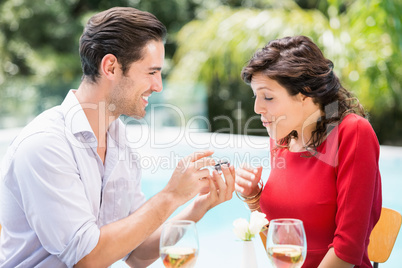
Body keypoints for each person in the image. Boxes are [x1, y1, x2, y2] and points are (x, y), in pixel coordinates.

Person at [0, 7, 235, 267]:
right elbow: (87, 258)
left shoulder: (118, 139)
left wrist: (198, 206)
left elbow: (136, 254)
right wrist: (171, 195)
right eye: (151, 72)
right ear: (111, 67)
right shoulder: (45, 146)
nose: (158, 85)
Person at [235, 35, 382, 267]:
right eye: (256, 96)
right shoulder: (282, 138)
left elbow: (348, 250)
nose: (257, 108)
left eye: (268, 97)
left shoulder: (352, 133)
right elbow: (280, 243)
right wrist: (253, 197)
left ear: (304, 93)